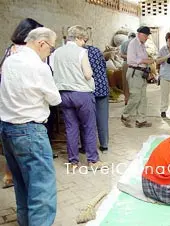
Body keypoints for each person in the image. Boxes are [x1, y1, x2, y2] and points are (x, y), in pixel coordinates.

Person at [0, 27, 61, 225]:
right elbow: (55, 98)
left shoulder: (10, 60)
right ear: (41, 43)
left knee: (22, 185)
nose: (49, 53)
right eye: (51, 48)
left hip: (8, 129)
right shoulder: (38, 66)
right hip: (30, 131)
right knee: (41, 190)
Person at [53, 25, 106, 170]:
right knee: (88, 126)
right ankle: (93, 161)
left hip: (63, 94)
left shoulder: (56, 53)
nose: (84, 43)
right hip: (82, 94)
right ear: (77, 38)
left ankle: (73, 162)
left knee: (71, 128)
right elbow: (88, 74)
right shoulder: (81, 52)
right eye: (83, 39)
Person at [0, 18, 43, 189]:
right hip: (24, 105)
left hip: (8, 103)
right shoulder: (28, 54)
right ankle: (21, 177)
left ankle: (9, 175)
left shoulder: (9, 50)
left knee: (10, 141)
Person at [121, 26, 155, 128]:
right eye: (146, 35)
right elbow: (131, 60)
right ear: (140, 34)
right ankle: (125, 115)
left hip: (142, 73)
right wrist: (145, 61)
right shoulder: (133, 44)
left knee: (143, 98)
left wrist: (148, 70)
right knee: (135, 97)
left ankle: (141, 120)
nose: (147, 38)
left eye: (148, 36)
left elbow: (143, 59)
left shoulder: (142, 45)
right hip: (134, 73)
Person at [85, 43, 110, 152]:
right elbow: (104, 66)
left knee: (87, 119)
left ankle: (87, 145)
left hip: (89, 88)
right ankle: (104, 145)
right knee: (103, 118)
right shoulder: (95, 50)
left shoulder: (80, 53)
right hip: (103, 86)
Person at [120, 32, 136, 105]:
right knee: (134, 82)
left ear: (128, 36)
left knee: (125, 82)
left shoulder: (124, 43)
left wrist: (128, 57)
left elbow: (121, 55)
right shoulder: (137, 43)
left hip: (126, 63)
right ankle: (134, 100)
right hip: (135, 64)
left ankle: (126, 98)